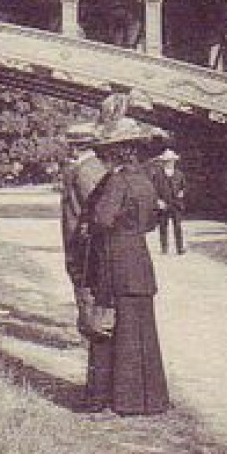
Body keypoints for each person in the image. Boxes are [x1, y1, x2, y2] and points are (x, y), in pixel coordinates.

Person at [80, 119, 170, 415]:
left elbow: (103, 220)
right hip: (139, 259)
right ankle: (150, 400)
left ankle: (121, 400)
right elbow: (152, 222)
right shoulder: (146, 181)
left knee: (116, 330)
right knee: (142, 331)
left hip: (115, 258)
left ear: (120, 152)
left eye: (110, 152)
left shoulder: (117, 181)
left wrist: (91, 222)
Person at [59, 123, 107, 297]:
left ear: (74, 148)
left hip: (80, 239)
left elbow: (92, 208)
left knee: (84, 284)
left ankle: (89, 324)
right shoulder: (95, 167)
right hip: (84, 237)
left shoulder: (84, 171)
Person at [150, 149, 189, 255]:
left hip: (176, 203)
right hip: (163, 203)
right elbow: (153, 189)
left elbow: (184, 187)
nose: (169, 163)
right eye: (167, 161)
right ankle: (164, 248)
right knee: (163, 226)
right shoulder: (158, 175)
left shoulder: (179, 174)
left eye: (171, 161)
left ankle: (180, 248)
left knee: (177, 226)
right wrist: (158, 201)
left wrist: (182, 192)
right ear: (163, 162)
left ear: (174, 161)